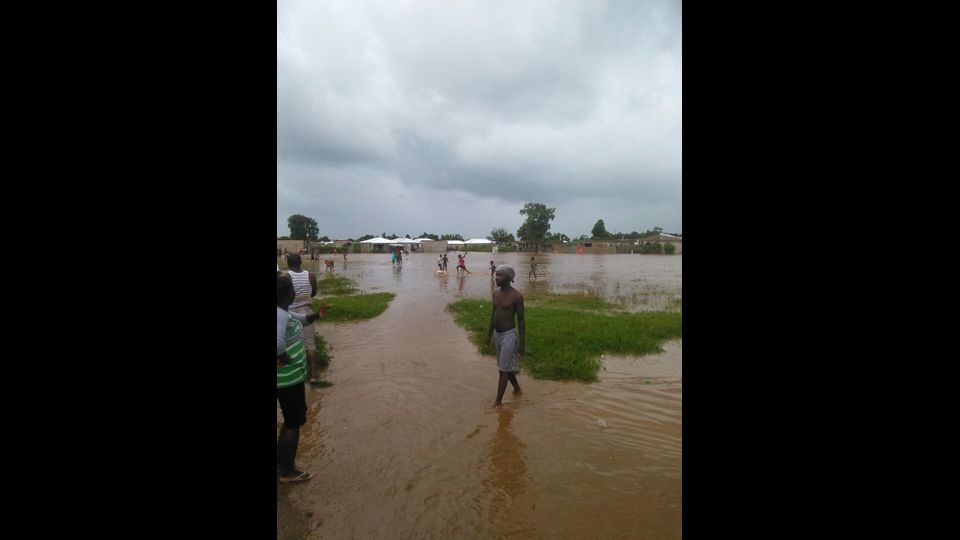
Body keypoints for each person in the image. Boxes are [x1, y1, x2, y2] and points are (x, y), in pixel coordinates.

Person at [277, 274, 326, 484]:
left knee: (289, 420)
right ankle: (287, 471)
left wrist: (317, 314)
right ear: (290, 293)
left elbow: (303, 320)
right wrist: (285, 359)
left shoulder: (284, 313)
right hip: (287, 380)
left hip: (286, 379)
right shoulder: (280, 315)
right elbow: (277, 342)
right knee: (293, 422)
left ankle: (281, 462)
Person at [485, 265, 525, 406]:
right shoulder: (495, 293)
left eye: (500, 276)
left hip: (509, 336)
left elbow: (521, 320)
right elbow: (493, 315)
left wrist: (522, 342)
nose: (497, 278)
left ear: (509, 278)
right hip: (497, 335)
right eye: (496, 275)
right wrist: (489, 335)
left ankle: (497, 403)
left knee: (503, 370)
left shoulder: (516, 296)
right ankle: (517, 389)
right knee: (505, 367)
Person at [285, 254, 320, 384]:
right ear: (301, 262)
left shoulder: (286, 277)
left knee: (290, 344)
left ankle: (295, 372)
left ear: (288, 263)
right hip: (306, 312)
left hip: (290, 313)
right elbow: (313, 293)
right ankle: (314, 375)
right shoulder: (311, 276)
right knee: (310, 344)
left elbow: (284, 294)